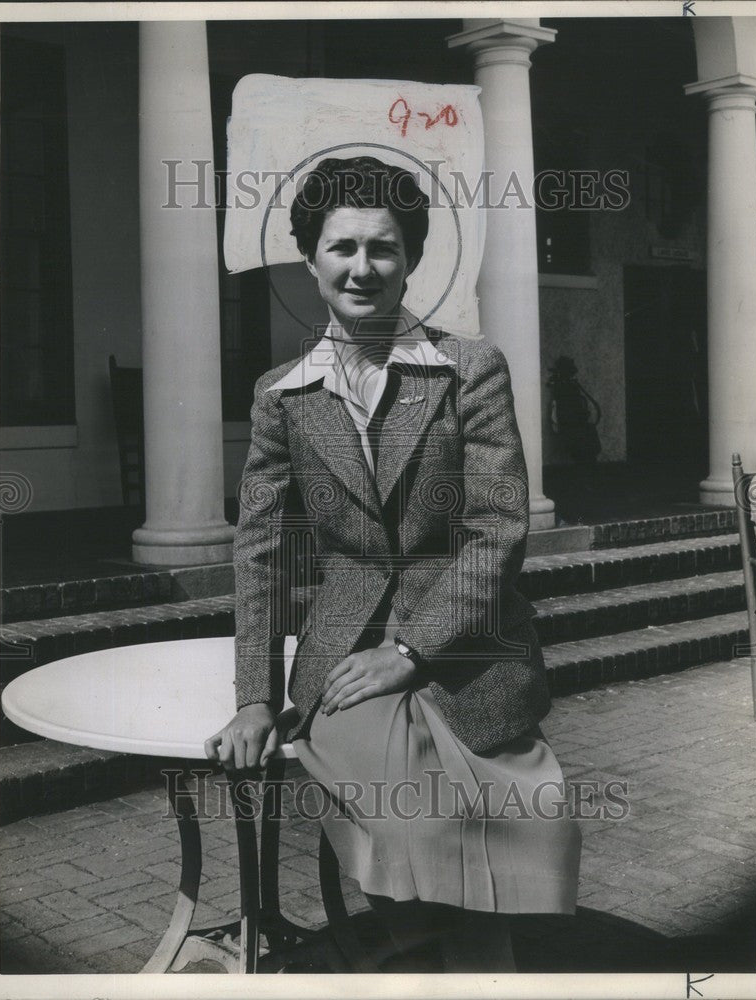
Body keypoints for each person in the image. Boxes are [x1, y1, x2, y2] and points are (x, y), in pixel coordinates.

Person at [205, 156, 581, 971]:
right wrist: (253, 697)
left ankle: (457, 965)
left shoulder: (467, 369)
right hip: (343, 658)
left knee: (521, 818)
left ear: (409, 259)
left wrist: (410, 651)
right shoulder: (283, 394)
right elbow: (262, 552)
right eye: (341, 247)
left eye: (383, 248)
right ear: (309, 260)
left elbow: (496, 528)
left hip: (467, 642)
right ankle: (431, 957)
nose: (362, 267)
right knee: (413, 830)